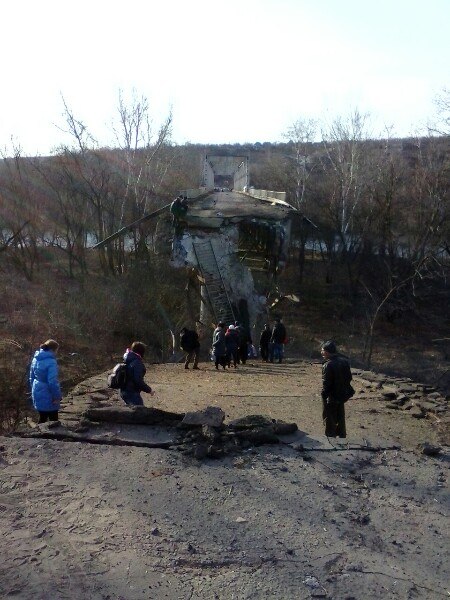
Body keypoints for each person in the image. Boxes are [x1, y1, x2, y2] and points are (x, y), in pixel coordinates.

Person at [320, 340, 353, 438]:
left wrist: (324, 394)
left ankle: (331, 436)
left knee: (329, 417)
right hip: (342, 393)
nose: (321, 352)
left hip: (331, 395)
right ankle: (342, 434)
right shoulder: (344, 361)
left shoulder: (328, 365)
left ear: (327, 351)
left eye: (322, 350)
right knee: (340, 415)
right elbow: (349, 378)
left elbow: (326, 383)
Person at [29, 339, 62, 424]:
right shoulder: (51, 362)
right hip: (48, 392)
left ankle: (37, 434)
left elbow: (31, 377)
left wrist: (33, 390)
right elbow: (52, 381)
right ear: (53, 349)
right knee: (53, 419)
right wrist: (56, 396)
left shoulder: (36, 359)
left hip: (37, 389)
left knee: (42, 417)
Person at [120, 341, 155, 406]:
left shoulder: (128, 359)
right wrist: (149, 390)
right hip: (131, 392)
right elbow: (138, 380)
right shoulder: (137, 363)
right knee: (140, 413)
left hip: (124, 391)